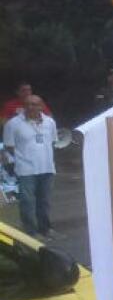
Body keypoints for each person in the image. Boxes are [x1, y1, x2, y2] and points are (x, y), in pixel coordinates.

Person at [2, 94, 57, 236]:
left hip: (46, 167)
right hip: (25, 169)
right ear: (23, 106)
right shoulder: (13, 124)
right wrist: (24, 157)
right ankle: (31, 232)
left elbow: (52, 142)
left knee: (44, 201)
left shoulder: (50, 122)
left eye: (34, 104)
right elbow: (9, 146)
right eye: (27, 104)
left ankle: (45, 229)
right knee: (27, 202)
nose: (31, 107)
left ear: (41, 106)